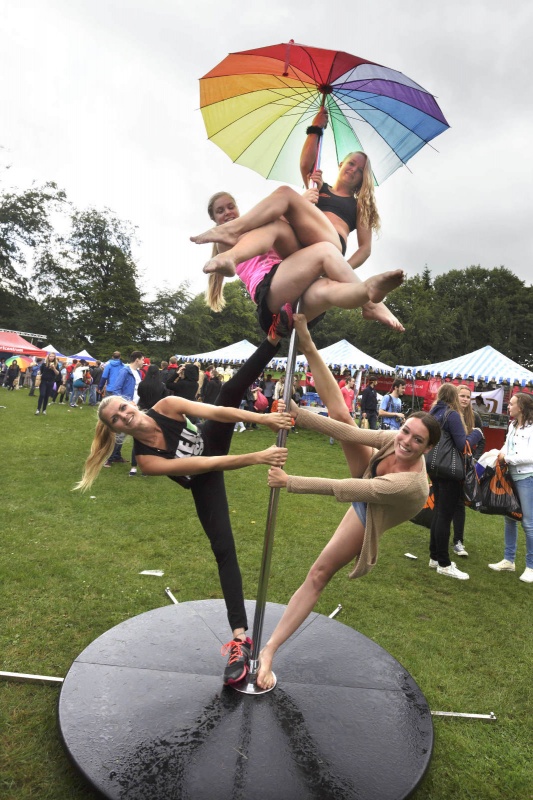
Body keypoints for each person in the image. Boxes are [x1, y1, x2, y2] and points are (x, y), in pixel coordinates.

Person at [75, 333, 293, 685]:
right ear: (115, 429)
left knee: (228, 391)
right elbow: (205, 467)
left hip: (211, 438)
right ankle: (241, 639)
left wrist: (265, 420)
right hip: (202, 477)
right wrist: (259, 457)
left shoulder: (168, 406)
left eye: (124, 408)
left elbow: (218, 411)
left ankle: (271, 341)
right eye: (117, 418)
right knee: (223, 549)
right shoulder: (146, 460)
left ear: (131, 404)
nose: (125, 416)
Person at [255, 315, 440, 690]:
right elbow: (346, 429)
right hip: (367, 480)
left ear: (428, 448)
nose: (406, 442)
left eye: (417, 441)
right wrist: (298, 413)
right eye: (406, 431)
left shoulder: (408, 484)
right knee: (342, 412)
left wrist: (289, 482)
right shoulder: (393, 438)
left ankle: (270, 650)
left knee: (320, 573)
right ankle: (308, 342)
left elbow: (349, 489)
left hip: (372, 506)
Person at [194, 192, 404, 334]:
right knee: (283, 226)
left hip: (297, 293)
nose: (227, 213)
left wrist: (303, 200)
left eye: (231, 207)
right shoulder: (224, 241)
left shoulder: (258, 228)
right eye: (220, 211)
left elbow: (282, 218)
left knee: (328, 274)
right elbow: (271, 218)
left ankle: (368, 295)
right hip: (272, 294)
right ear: (214, 219)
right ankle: (374, 304)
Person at [428, 384, 484, 580]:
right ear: (453, 397)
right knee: (445, 514)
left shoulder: (434, 412)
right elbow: (463, 444)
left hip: (434, 467)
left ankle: (434, 556)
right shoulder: (451, 414)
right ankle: (444, 563)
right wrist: (476, 433)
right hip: (449, 470)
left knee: (438, 512)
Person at [488, 392, 533, 583]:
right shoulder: (513, 425)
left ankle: (531, 566)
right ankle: (509, 560)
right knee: (509, 518)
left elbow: (530, 456)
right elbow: (507, 446)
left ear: (521, 407)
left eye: (512, 403)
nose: (508, 406)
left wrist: (507, 458)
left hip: (526, 478)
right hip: (510, 477)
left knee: (529, 523)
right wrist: (500, 454)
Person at [452, 385, 485, 557]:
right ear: (455, 396)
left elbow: (481, 440)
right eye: (462, 396)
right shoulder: (450, 414)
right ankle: (438, 540)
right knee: (443, 502)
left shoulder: (474, 417)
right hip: (447, 463)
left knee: (459, 503)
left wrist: (474, 458)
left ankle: (458, 541)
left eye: (467, 396)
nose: (465, 399)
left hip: (464, 465)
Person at [105, 351, 144, 466]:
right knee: (119, 433)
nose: (143, 362)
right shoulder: (125, 371)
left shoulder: (139, 373)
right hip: (125, 408)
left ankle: (116, 456)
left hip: (135, 407)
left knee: (125, 433)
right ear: (137, 359)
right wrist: (127, 402)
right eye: (142, 359)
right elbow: (116, 390)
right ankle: (109, 458)